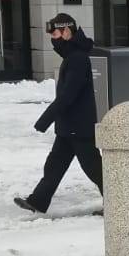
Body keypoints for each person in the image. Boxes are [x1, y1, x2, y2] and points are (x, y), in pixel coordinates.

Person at [15, 14, 102, 215]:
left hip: (79, 127)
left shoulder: (78, 59)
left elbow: (68, 95)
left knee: (94, 170)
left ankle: (120, 203)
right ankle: (37, 201)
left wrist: (45, 119)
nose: (53, 39)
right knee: (54, 166)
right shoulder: (72, 57)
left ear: (66, 32)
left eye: (55, 34)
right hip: (69, 127)